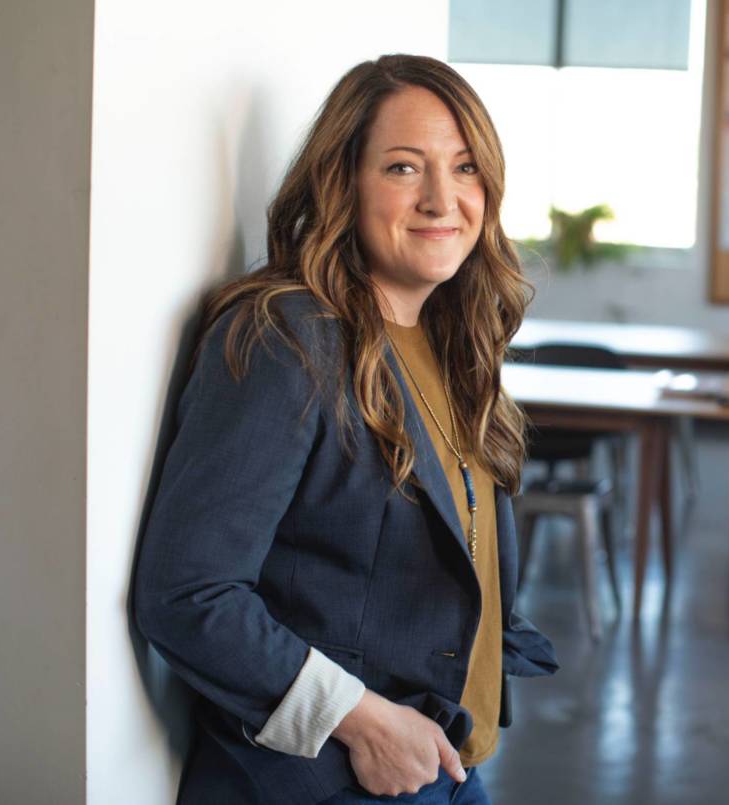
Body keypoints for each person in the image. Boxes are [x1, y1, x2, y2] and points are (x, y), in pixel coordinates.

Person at [132, 54, 558, 805]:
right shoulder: (287, 337)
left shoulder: (452, 341)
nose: (441, 198)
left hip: (444, 764)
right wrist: (360, 720)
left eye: (465, 168)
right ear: (344, 182)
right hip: (334, 777)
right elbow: (187, 591)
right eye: (402, 167)